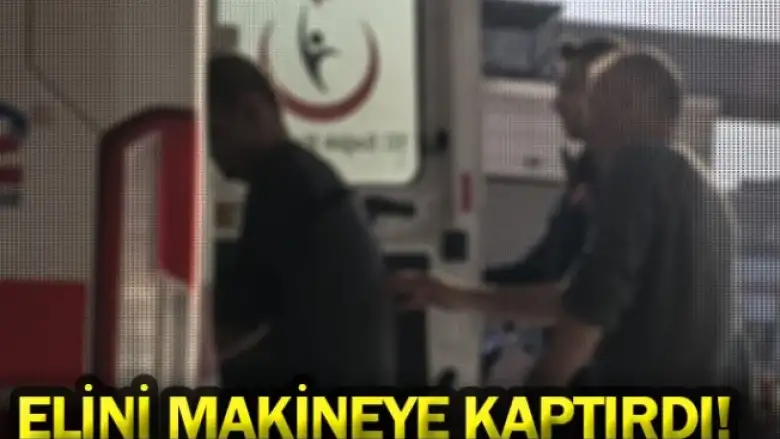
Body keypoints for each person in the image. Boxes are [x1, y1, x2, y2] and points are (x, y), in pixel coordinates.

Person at [391, 44, 735, 387]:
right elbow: (574, 298)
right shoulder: (707, 192)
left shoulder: (638, 166)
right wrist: (452, 295)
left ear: (628, 103)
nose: (588, 117)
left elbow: (591, 306)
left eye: (594, 101)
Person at [208, 53, 394, 388]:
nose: (212, 153)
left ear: (251, 112)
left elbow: (245, 318)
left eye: (216, 134)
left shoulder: (282, 182)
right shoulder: (310, 176)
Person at [479, 38, 621, 383]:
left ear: (608, 98)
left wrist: (456, 295)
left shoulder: (625, 187)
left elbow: (578, 299)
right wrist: (464, 278)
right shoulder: (585, 178)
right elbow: (539, 270)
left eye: (569, 89)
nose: (557, 103)